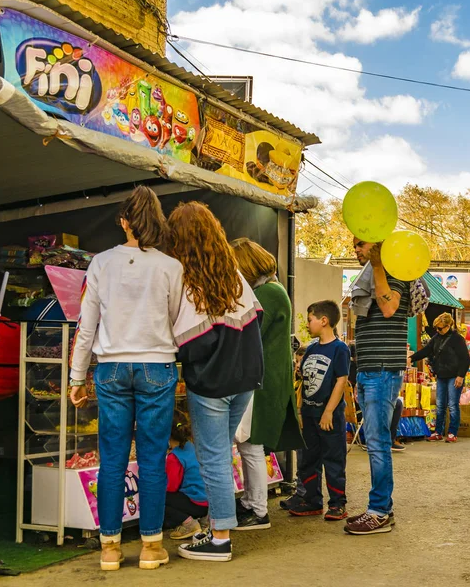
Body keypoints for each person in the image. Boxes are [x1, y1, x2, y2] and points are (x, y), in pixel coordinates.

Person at [69, 185, 183, 571]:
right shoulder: (171, 267)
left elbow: (87, 326)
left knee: (112, 460)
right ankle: (151, 547)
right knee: (152, 460)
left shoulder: (101, 263)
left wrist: (76, 376)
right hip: (158, 366)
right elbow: (175, 321)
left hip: (111, 368)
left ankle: (110, 549)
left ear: (123, 222)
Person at [166, 202, 263, 562]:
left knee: (214, 460)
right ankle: (215, 526)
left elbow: (195, 341)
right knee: (222, 455)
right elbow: (256, 320)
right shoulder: (235, 275)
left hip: (212, 384)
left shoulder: (190, 281)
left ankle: (220, 537)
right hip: (245, 379)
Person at [230, 238, 304, 529]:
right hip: (267, 378)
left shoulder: (267, 293)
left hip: (261, 381)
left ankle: (257, 509)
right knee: (252, 445)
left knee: (251, 445)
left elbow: (250, 333)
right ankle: (252, 503)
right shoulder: (274, 289)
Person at [345, 238, 410, 536]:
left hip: (383, 370)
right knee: (375, 440)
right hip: (371, 369)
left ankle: (380, 511)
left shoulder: (394, 272)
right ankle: (380, 508)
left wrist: (378, 263)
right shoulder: (372, 274)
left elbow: (389, 308)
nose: (355, 249)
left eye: (360, 244)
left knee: (378, 441)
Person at [288, 300, 350, 520]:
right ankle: (312, 500)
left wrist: (328, 412)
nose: (308, 323)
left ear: (324, 321)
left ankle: (337, 503)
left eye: (311, 318)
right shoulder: (311, 347)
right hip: (309, 414)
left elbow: (341, 381)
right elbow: (305, 383)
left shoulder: (340, 349)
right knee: (308, 459)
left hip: (328, 416)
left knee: (333, 458)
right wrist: (301, 411)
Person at [410, 312, 470, 443]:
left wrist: (460, 376)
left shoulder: (457, 339)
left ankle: (452, 433)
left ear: (449, 326)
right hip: (442, 376)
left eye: (440, 328)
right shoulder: (436, 338)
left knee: (453, 405)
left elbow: (465, 359)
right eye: (436, 328)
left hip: (454, 376)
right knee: (440, 405)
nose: (437, 330)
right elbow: (426, 350)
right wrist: (411, 358)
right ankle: (438, 432)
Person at [164, 409, 208, 540]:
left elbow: (171, 487)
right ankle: (204, 521)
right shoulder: (191, 446)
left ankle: (189, 523)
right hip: (207, 502)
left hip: (195, 504)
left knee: (156, 498)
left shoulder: (175, 457)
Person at [280, 345, 307, 509]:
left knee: (305, 462)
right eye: (296, 362)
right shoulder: (296, 382)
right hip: (299, 429)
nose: (297, 366)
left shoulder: (305, 385)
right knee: (301, 460)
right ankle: (301, 491)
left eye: (300, 362)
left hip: (307, 429)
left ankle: (303, 493)